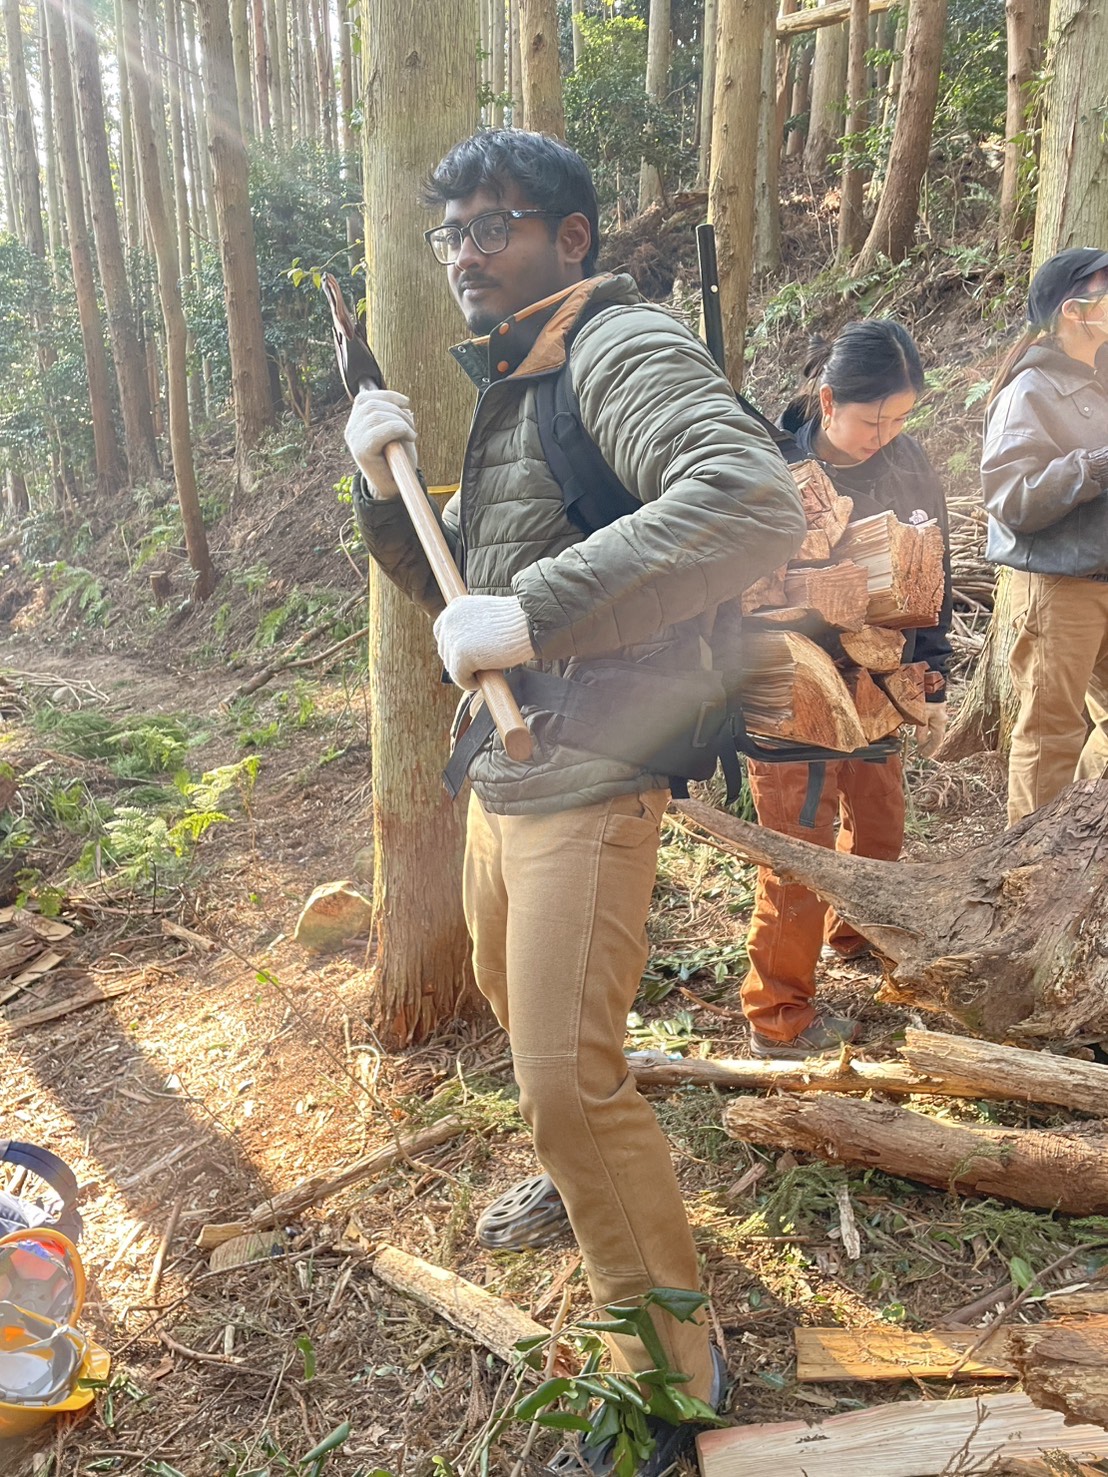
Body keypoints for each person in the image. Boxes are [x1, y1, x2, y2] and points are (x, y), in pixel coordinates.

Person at [342, 130, 805, 1473]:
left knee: (561, 1073)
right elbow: (457, 608)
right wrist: (382, 492)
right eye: (453, 236)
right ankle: (584, 1170)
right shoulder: (518, 381)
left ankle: (671, 1370)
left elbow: (749, 500)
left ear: (573, 238)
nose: (469, 254)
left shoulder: (617, 349)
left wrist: (528, 606)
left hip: (591, 766)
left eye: (497, 225)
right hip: (509, 768)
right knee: (528, 1026)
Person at [740, 321, 953, 1060]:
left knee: (879, 824)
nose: (885, 435)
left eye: (900, 419)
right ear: (828, 401)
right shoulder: (773, 466)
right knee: (798, 847)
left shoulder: (908, 462)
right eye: (872, 420)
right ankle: (779, 1014)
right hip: (792, 681)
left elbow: (933, 574)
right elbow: (743, 587)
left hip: (881, 678)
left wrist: (932, 665)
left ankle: (855, 932)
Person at [981, 247, 1108, 826]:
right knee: (1051, 732)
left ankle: (1076, 839)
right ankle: (1026, 882)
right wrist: (1094, 466)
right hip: (1061, 589)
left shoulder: (1098, 380)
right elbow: (1010, 497)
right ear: (1072, 313)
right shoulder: (1026, 392)